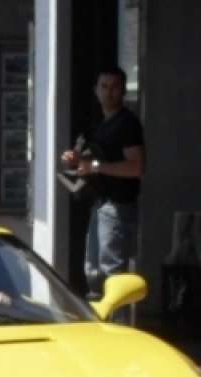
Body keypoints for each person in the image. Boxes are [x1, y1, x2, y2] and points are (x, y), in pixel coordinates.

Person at [61, 66, 145, 325]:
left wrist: (96, 167)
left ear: (123, 90)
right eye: (104, 87)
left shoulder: (127, 124)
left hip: (118, 207)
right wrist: (75, 161)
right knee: (93, 273)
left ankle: (118, 330)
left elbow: (137, 166)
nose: (109, 92)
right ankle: (101, 327)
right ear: (96, 91)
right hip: (99, 204)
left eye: (115, 87)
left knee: (113, 275)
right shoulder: (101, 125)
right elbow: (92, 161)